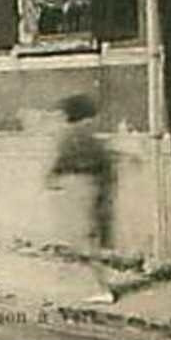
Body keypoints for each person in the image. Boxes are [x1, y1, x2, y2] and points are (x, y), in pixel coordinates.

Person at [48, 94, 115, 303]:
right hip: (92, 186)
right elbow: (105, 162)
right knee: (88, 237)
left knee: (86, 239)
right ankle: (99, 286)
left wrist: (52, 176)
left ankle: (103, 289)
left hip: (81, 187)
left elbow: (63, 160)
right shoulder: (88, 134)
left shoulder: (71, 135)